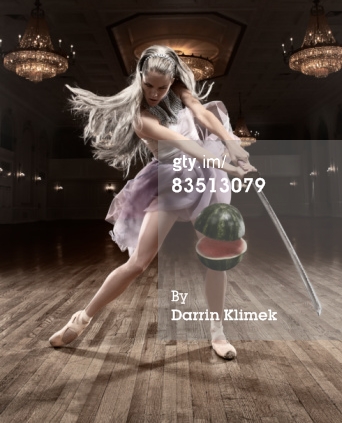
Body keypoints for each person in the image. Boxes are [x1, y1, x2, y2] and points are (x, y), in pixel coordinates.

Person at [49, 45, 256, 359]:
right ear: (139, 77)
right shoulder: (141, 117)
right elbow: (184, 143)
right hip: (170, 183)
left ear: (173, 80)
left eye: (163, 86)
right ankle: (82, 319)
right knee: (137, 264)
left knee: (216, 257)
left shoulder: (180, 90)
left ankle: (218, 333)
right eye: (149, 85)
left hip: (203, 178)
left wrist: (232, 144)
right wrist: (224, 164)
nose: (156, 93)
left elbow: (202, 114)